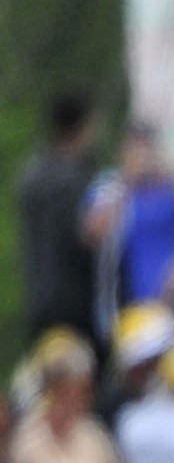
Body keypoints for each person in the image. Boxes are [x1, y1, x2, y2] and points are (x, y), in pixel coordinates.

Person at [82, 122, 174, 318]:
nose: (142, 159)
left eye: (147, 152)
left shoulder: (172, 187)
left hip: (173, 305)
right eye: (135, 152)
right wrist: (126, 183)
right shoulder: (109, 186)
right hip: (124, 308)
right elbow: (91, 234)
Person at [17, 91, 100, 351]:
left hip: (38, 300)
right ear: (83, 126)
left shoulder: (32, 173)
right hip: (75, 303)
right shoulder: (75, 180)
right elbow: (86, 235)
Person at [7, 328, 120, 463]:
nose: (85, 399)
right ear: (56, 389)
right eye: (77, 391)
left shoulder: (93, 435)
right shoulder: (29, 440)